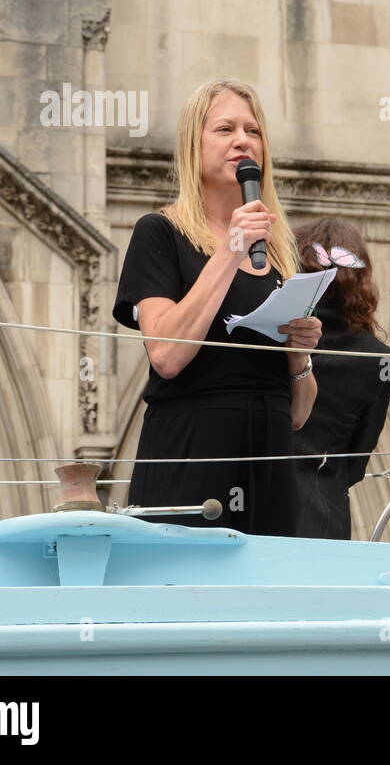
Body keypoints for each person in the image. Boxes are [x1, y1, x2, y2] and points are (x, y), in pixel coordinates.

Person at [111, 78, 322, 536]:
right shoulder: (160, 233)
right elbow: (166, 356)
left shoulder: (280, 253)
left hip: (269, 462)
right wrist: (230, 249)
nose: (242, 140)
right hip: (192, 458)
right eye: (224, 129)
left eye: (253, 130)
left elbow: (300, 412)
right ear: (194, 144)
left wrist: (299, 353)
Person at [290, 216, 390, 540]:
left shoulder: (268, 336)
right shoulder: (379, 360)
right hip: (324, 517)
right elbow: (355, 464)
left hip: (254, 506)